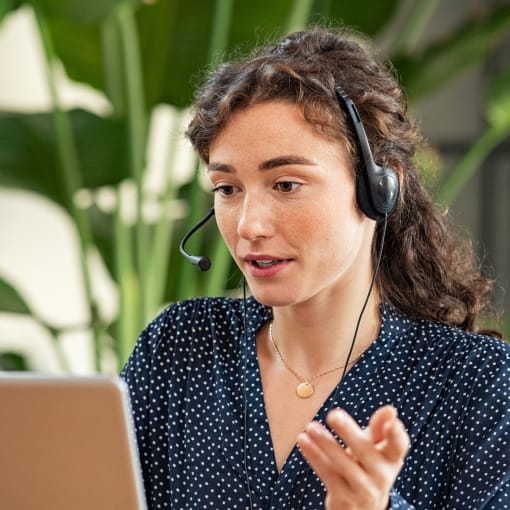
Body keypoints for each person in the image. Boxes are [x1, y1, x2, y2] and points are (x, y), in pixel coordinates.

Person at [121, 26, 510, 509]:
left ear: (379, 188)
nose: (249, 226)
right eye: (227, 188)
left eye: (285, 184)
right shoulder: (180, 348)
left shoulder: (476, 382)